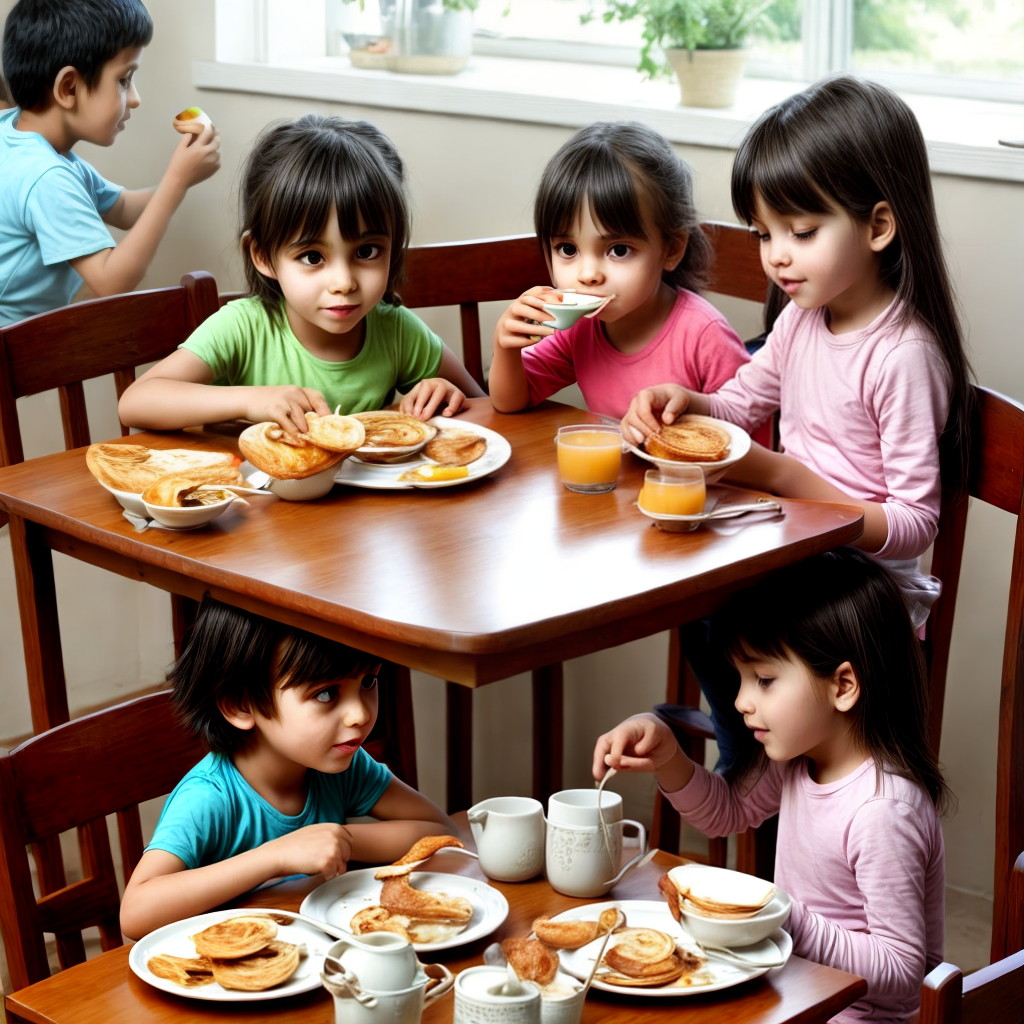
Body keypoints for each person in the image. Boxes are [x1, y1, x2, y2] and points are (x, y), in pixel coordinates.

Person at [620, 75, 973, 772]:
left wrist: (787, 477)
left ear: (877, 226)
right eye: (764, 233)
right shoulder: (803, 319)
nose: (777, 254)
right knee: (695, 594)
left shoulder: (902, 355)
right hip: (800, 556)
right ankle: (748, 764)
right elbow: (740, 405)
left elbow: (912, 523)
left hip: (862, 596)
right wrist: (686, 403)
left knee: (733, 616)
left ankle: (750, 775)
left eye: (801, 232)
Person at [593, 548, 949, 1024]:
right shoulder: (797, 761)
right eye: (741, 679)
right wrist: (667, 754)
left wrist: (781, 916)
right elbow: (725, 813)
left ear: (843, 685)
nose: (741, 701)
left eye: (763, 679)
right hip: (794, 992)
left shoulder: (883, 811)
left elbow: (902, 970)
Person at [118, 114, 483, 435]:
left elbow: (482, 407)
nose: (344, 283)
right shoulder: (243, 329)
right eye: (312, 257)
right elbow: (136, 402)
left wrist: (447, 396)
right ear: (262, 255)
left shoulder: (398, 332)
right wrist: (251, 401)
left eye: (367, 252)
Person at [120, 595, 456, 939]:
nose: (361, 715)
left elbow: (439, 831)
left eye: (368, 682)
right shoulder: (209, 798)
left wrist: (342, 841)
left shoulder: (343, 765)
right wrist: (277, 856)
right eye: (326, 694)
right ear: (240, 705)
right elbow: (135, 912)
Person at [487, 121, 756, 422]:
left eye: (618, 250)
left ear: (671, 250)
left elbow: (747, 436)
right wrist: (505, 347)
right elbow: (511, 400)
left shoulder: (705, 337)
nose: (588, 275)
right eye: (568, 249)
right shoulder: (579, 329)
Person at [0, 0, 221, 326]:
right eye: (124, 80)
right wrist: (175, 181)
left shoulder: (20, 136)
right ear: (69, 87)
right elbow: (110, 281)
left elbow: (122, 209)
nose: (135, 97)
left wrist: (184, 177)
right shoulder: (46, 177)